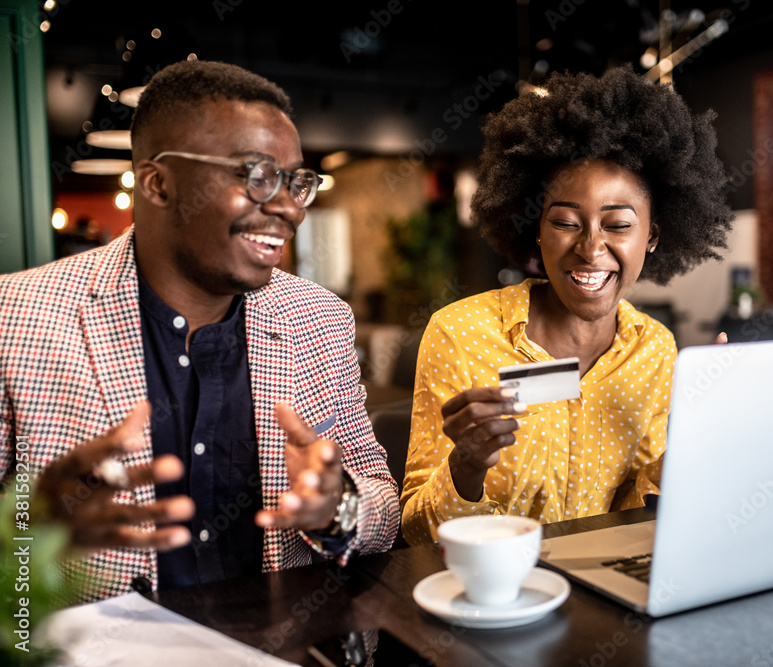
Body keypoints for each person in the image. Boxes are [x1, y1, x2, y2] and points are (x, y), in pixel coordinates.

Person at [0, 60, 399, 601]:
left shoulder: (318, 318)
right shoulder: (17, 316)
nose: (289, 210)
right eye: (257, 176)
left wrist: (337, 508)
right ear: (159, 183)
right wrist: (31, 532)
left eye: (295, 182)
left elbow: (383, 505)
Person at [401, 66, 733, 545]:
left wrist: (698, 433)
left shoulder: (654, 350)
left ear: (652, 236)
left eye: (618, 225)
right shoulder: (460, 334)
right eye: (565, 222)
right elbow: (414, 534)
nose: (591, 248)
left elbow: (645, 516)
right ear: (536, 228)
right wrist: (465, 466)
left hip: (606, 598)